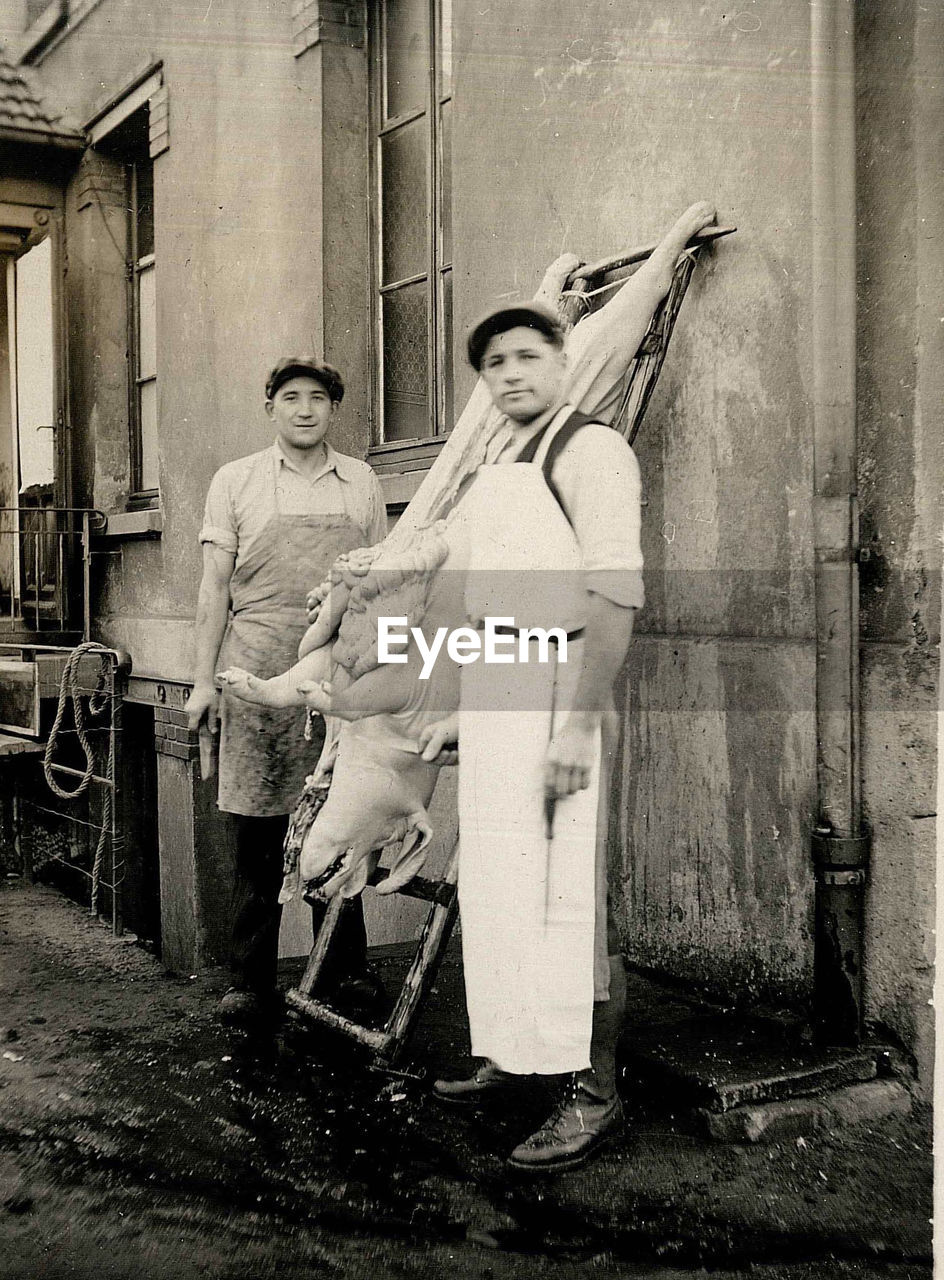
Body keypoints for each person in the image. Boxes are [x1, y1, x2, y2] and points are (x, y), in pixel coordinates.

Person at [427, 202, 716, 1173]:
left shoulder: (591, 450)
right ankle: (518, 1057)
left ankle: (591, 1090)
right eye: (492, 362)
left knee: (565, 901)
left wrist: (568, 729)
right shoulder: (499, 460)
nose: (508, 372)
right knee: (500, 887)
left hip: (560, 694)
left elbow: (612, 598)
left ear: (562, 360)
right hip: (503, 686)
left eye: (525, 356)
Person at [185, 356, 388, 1024]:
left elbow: (385, 586)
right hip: (252, 669)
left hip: (336, 669)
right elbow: (214, 589)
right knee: (256, 835)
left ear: (334, 409)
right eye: (291, 398)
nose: (305, 409)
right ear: (269, 406)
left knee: (341, 821)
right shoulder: (235, 481)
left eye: (319, 399)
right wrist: (201, 684)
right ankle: (250, 981)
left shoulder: (360, 481)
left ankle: (344, 973)